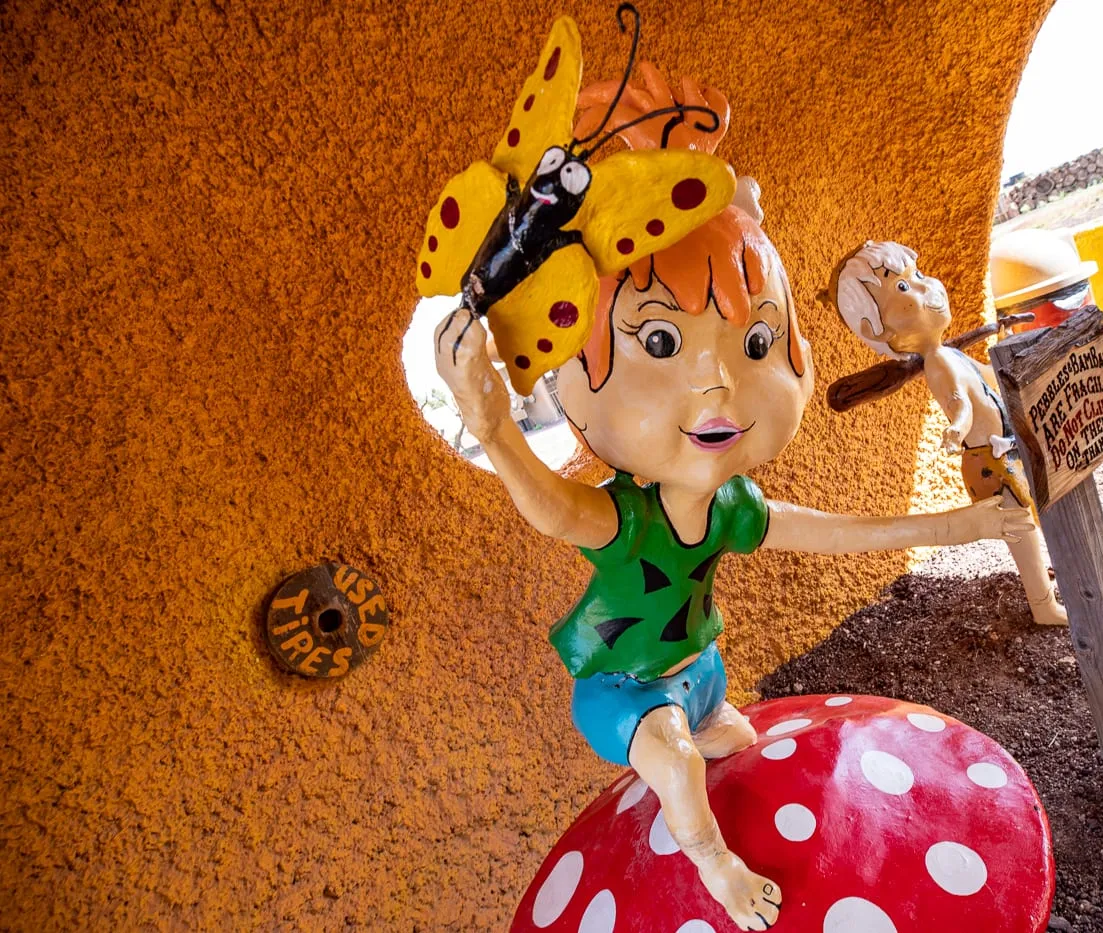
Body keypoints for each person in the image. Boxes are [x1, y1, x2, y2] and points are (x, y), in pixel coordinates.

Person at [435, 74, 1034, 933]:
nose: (717, 383)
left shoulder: (729, 506)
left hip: (704, 674)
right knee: (676, 767)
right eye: (662, 344)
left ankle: (716, 762)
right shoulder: (628, 518)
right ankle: (716, 868)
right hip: (624, 691)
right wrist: (493, 429)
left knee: (736, 752)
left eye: (755, 341)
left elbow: (832, 534)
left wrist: (964, 524)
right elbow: (558, 510)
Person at [832, 240, 1069, 628]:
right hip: (989, 460)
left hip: (1003, 451)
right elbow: (958, 401)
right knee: (1020, 529)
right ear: (877, 328)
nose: (927, 287)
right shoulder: (940, 361)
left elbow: (985, 381)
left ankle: (1051, 575)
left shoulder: (949, 353)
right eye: (904, 288)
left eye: (919, 276)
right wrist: (956, 428)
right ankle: (1043, 605)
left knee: (1033, 517)